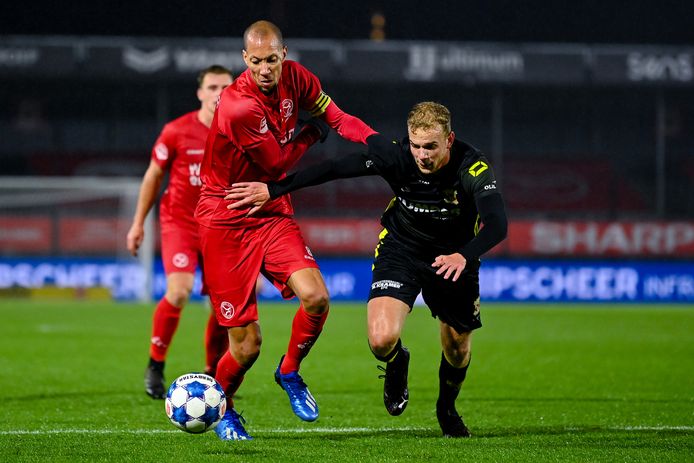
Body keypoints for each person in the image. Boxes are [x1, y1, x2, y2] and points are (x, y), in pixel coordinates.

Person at [226, 101, 508, 438]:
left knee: (457, 348)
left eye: (431, 147)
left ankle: (446, 409)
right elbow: (334, 169)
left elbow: (497, 224)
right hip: (401, 250)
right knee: (381, 340)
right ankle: (397, 361)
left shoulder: (472, 166)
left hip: (454, 258)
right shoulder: (396, 156)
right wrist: (274, 190)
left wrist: (464, 255)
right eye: (416, 145)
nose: (422, 155)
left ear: (449, 139)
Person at [195, 20, 376, 441]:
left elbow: (337, 116)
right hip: (226, 215)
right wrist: (311, 133)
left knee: (316, 298)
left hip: (271, 208)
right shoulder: (237, 106)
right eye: (256, 61)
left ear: (284, 54)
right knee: (246, 346)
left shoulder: (298, 78)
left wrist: (377, 141)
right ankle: (224, 408)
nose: (265, 69)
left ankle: (290, 371)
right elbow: (277, 163)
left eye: (272, 60)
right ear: (245, 59)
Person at [126, 65, 234, 399]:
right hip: (181, 223)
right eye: (212, 87)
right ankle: (155, 364)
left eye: (226, 87)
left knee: (223, 304)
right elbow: (153, 175)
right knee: (179, 291)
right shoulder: (176, 131)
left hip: (220, 226)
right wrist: (138, 223)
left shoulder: (242, 131)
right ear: (200, 93)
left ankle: (213, 372)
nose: (219, 94)